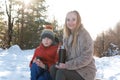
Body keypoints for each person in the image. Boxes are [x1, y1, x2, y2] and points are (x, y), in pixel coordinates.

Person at [50, 10, 97, 80]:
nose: (70, 22)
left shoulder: (84, 35)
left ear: (78, 21)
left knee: (61, 72)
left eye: (73, 19)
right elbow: (68, 56)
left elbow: (86, 57)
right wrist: (61, 54)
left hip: (85, 71)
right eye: (68, 20)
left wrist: (67, 65)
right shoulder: (67, 36)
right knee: (53, 68)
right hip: (73, 68)